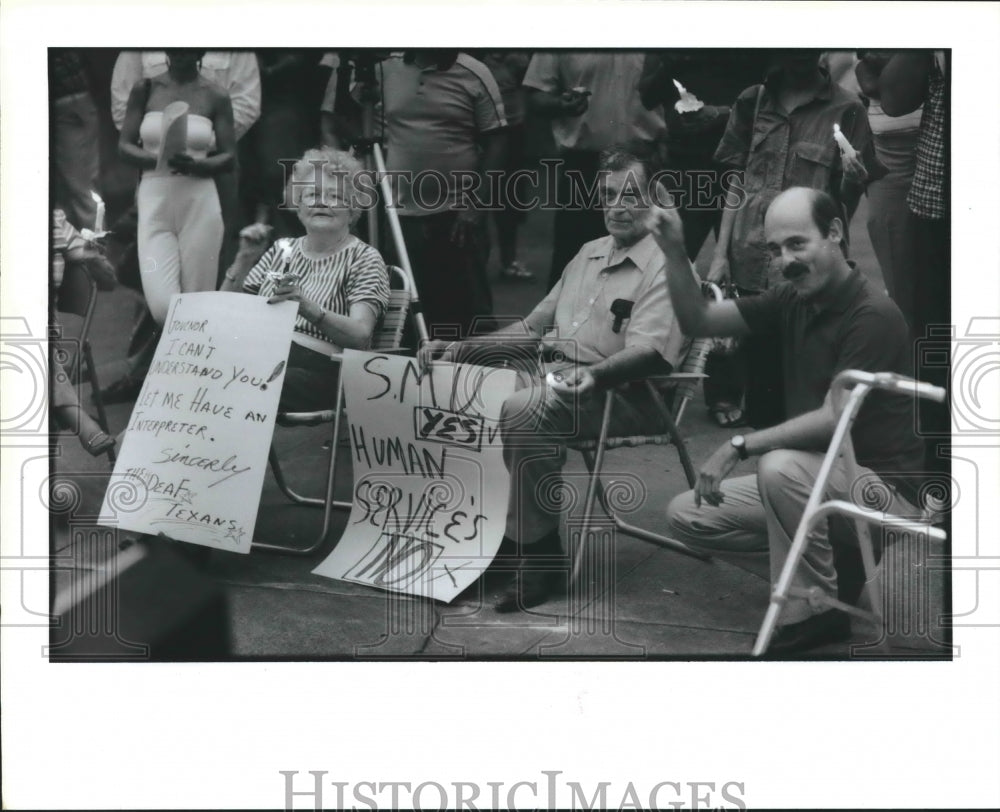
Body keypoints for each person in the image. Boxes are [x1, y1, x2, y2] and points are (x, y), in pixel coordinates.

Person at [649, 186, 925, 655]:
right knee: (689, 515)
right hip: (813, 479)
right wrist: (675, 250)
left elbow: (833, 418)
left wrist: (737, 445)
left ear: (835, 232)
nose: (786, 260)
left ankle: (813, 612)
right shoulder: (792, 298)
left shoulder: (873, 314)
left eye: (798, 244)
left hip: (883, 492)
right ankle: (829, 572)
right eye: (776, 250)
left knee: (776, 465)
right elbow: (698, 319)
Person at [420, 145, 691, 612]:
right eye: (608, 195)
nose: (617, 206)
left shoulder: (667, 263)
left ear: (659, 198)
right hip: (558, 381)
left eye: (631, 195)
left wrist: (589, 376)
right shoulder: (589, 252)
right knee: (462, 392)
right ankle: (487, 546)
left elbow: (649, 355)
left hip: (626, 393)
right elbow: (531, 330)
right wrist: (462, 347)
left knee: (525, 408)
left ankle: (540, 557)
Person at [706, 50, 882, 431]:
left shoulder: (848, 108)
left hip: (808, 265)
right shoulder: (752, 101)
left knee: (805, 379)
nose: (799, 54)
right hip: (750, 253)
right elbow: (735, 181)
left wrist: (853, 180)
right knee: (759, 374)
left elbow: (842, 209)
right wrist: (720, 253)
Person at [320, 50, 507, 339]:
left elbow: (497, 141)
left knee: (469, 313)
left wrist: (477, 206)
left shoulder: (474, 73)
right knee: (404, 310)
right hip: (398, 213)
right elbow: (345, 126)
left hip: (458, 212)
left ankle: (472, 376)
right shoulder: (384, 68)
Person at [220, 148, 390, 411]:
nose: (322, 202)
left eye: (335, 196)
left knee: (231, 381)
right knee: (209, 371)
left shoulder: (364, 258)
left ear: (353, 208)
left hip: (324, 371)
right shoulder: (281, 249)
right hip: (261, 357)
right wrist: (243, 258)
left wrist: (306, 307)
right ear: (298, 206)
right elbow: (222, 313)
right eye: (312, 195)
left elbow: (360, 335)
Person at [522, 52, 667, 290]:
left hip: (645, 161)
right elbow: (535, 95)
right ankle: (564, 323)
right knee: (575, 256)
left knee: (644, 257)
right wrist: (561, 104)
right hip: (585, 164)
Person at [118, 49, 236, 326]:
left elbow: (229, 155)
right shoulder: (145, 88)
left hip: (199, 198)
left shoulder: (215, 94)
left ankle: (189, 366)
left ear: (200, 51)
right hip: (154, 195)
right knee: (161, 304)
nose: (181, 52)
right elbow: (123, 146)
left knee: (198, 299)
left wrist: (196, 165)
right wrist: (156, 159)